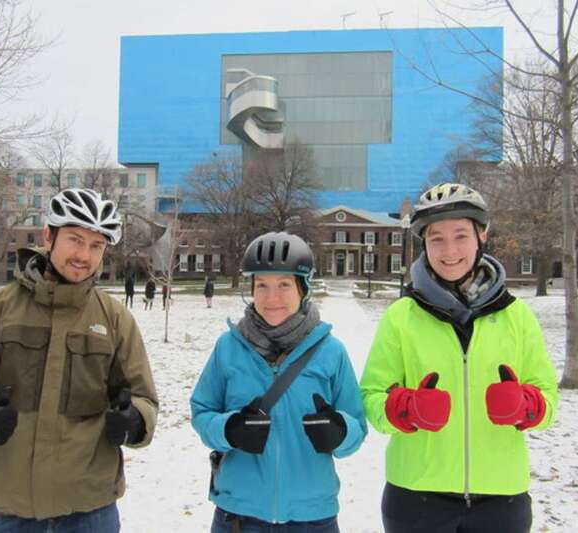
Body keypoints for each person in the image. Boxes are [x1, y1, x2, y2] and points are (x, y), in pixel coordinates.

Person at [0, 188, 159, 532]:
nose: (84, 255)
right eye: (75, 240)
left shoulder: (114, 319)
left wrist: (135, 421)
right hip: (8, 509)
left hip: (90, 510)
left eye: (96, 246)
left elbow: (144, 398)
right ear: (48, 236)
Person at [360, 183, 559, 533]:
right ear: (424, 243)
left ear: (482, 236)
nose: (449, 250)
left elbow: (548, 398)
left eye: (460, 235)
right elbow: (371, 397)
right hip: (416, 498)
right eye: (436, 238)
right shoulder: (402, 316)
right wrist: (405, 408)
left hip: (501, 501)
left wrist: (527, 405)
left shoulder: (518, 316)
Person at [191, 231, 367, 533]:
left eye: (284, 284)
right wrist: (229, 430)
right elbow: (202, 412)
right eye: (262, 285)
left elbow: (358, 427)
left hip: (312, 518)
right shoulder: (228, 347)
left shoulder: (330, 351)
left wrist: (340, 431)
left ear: (303, 288)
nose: (272, 298)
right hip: (239, 517)